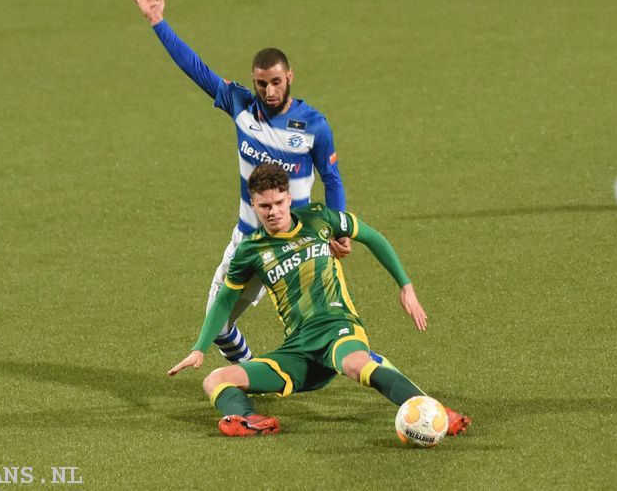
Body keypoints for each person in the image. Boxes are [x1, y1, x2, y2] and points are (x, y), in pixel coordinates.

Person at [129, 0, 356, 364]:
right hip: (249, 243)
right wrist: (158, 23)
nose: (269, 91)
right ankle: (249, 372)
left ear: (290, 77)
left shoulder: (314, 126)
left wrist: (337, 230)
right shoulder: (241, 107)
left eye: (276, 82)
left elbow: (332, 180)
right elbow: (196, 69)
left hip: (299, 245)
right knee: (215, 324)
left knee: (326, 329)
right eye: (262, 83)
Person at [168, 164, 472, 437]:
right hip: (298, 349)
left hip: (336, 328)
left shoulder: (319, 219)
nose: (272, 211)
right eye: (264, 206)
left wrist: (405, 285)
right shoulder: (250, 250)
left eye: (277, 203)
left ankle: (438, 412)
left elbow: (373, 237)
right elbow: (224, 301)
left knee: (356, 365)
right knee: (216, 379)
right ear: (254, 206)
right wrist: (199, 349)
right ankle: (249, 420)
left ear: (288, 198)